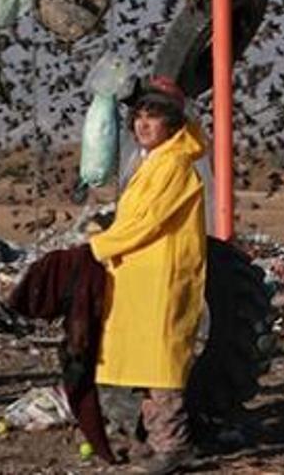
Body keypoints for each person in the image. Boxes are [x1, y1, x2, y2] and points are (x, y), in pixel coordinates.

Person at [87, 74, 207, 473]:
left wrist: (99, 246)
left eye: (152, 117)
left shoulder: (172, 164)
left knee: (162, 365)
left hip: (163, 278)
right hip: (141, 278)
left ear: (171, 124)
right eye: (138, 116)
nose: (142, 124)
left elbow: (147, 221)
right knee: (143, 363)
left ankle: (173, 447)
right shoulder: (152, 161)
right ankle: (153, 440)